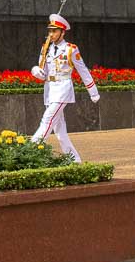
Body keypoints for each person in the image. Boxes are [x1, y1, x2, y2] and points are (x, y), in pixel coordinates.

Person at [30, 13, 99, 163]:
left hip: (63, 89)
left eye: (54, 31)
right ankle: (75, 160)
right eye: (50, 31)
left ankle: (30, 150)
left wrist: (93, 92)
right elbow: (43, 73)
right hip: (49, 90)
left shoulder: (70, 49)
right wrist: (35, 70)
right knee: (59, 131)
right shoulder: (45, 48)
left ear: (63, 32)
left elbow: (83, 70)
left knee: (47, 120)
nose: (51, 34)